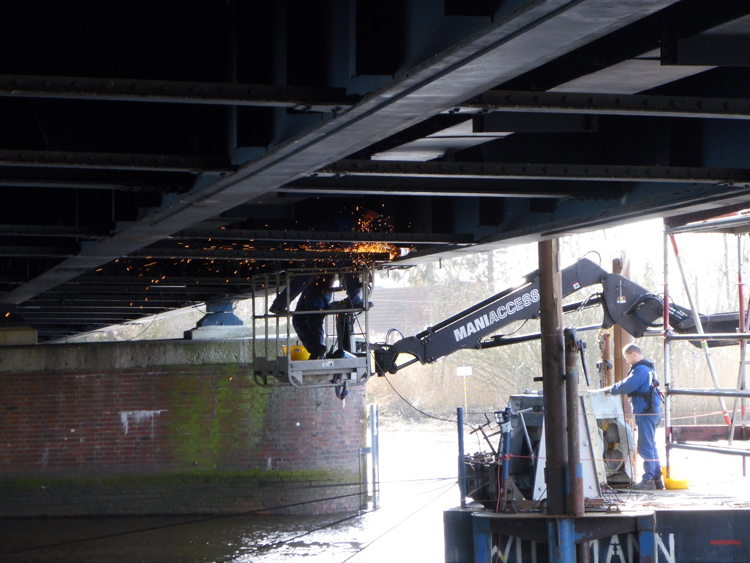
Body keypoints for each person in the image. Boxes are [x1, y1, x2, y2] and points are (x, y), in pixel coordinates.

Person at [598, 343, 663, 491]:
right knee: (651, 445)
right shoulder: (650, 368)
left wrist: (610, 389)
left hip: (646, 412)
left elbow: (627, 386)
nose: (628, 361)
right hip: (653, 411)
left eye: (627, 358)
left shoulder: (640, 370)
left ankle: (648, 479)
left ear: (634, 354)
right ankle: (657, 479)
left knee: (645, 446)